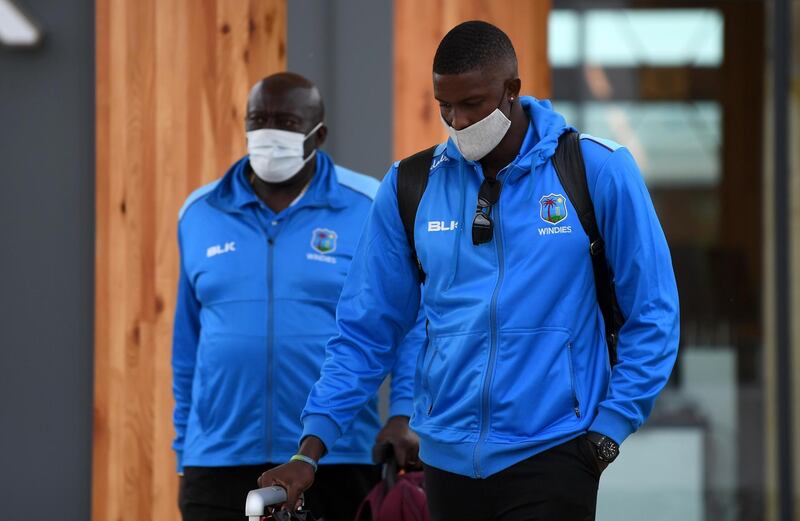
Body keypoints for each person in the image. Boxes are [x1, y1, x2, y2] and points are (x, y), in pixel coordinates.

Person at [258, 21, 680, 521]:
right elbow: (365, 331)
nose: (456, 122)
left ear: (512, 92)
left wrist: (608, 430)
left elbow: (653, 313)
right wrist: (310, 450)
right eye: (444, 106)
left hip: (554, 456)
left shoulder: (595, 171)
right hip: (445, 464)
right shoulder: (410, 186)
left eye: (472, 104)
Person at [172, 72, 424, 521]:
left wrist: (404, 410)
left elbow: (406, 324)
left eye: (287, 121)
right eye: (259, 119)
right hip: (217, 459)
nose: (270, 132)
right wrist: (183, 451)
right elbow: (187, 347)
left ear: (318, 134)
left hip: (335, 456)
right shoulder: (199, 213)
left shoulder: (367, 205)